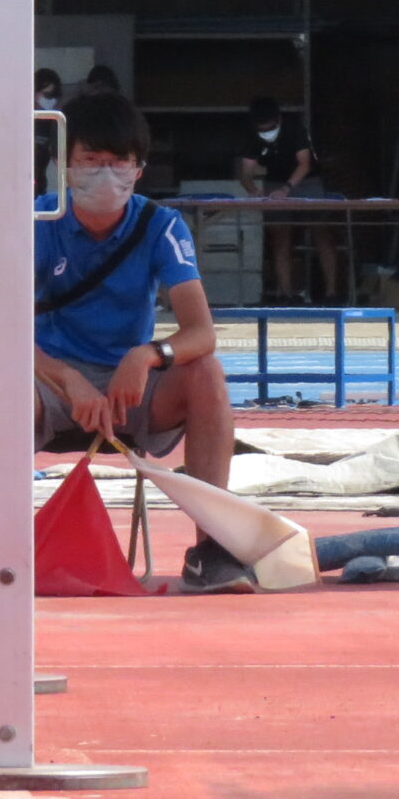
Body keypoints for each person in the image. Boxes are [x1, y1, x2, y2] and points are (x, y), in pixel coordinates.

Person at [31, 91, 254, 593]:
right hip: (52, 385)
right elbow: (3, 331)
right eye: (92, 160)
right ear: (64, 164)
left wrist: (148, 355)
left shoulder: (161, 226)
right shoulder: (35, 224)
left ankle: (212, 549)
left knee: (206, 372)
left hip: (132, 392)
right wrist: (67, 379)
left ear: (138, 169)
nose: (105, 175)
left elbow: (202, 332)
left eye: (119, 163)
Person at [237, 95, 338, 304]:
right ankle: (286, 294)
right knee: (280, 237)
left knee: (321, 233)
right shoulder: (252, 136)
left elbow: (304, 164)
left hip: (307, 181)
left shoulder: (296, 129)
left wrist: (287, 188)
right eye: (262, 130)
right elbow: (246, 172)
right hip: (274, 182)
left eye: (270, 128)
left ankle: (331, 293)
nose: (266, 133)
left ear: (279, 119)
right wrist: (252, 189)